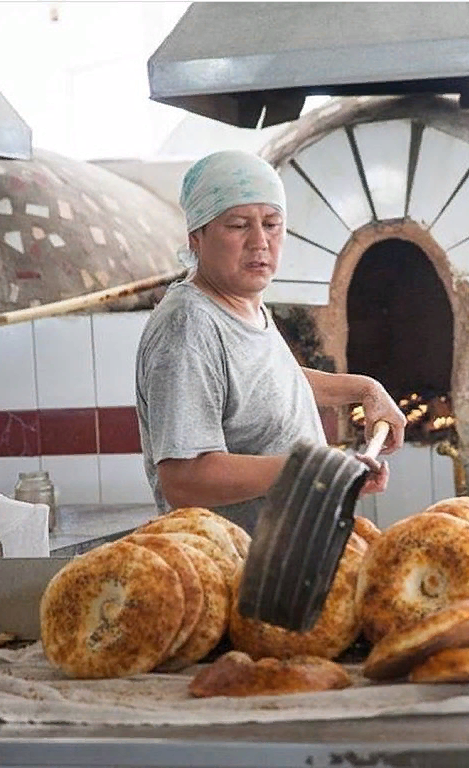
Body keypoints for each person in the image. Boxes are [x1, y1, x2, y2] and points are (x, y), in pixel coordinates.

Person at [135, 150, 406, 533]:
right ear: (196, 236)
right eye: (238, 225)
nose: (259, 241)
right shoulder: (188, 324)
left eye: (272, 223)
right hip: (235, 569)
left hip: (287, 558)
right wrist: (313, 468)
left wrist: (365, 389)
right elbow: (184, 479)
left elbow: (268, 383)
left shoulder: (246, 306)